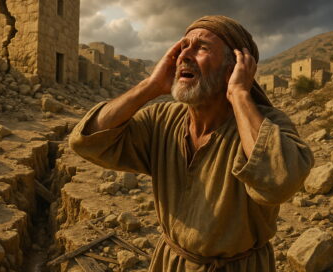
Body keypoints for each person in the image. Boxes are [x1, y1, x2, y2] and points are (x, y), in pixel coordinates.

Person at [69, 15, 314, 272]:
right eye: (183, 47)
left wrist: (240, 94)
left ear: (234, 68)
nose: (185, 55)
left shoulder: (267, 124)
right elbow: (86, 142)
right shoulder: (163, 120)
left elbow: (279, 182)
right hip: (171, 264)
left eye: (201, 48)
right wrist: (150, 86)